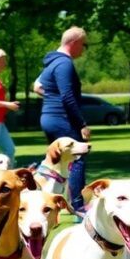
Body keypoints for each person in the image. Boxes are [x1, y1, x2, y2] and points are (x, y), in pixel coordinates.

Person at [38, 27, 90, 213]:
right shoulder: (64, 64)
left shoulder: (51, 63)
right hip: (62, 119)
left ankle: (45, 199)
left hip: (48, 116)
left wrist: (51, 100)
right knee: (77, 158)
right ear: (74, 42)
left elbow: (38, 86)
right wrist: (81, 124)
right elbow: (68, 96)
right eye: (84, 45)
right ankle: (78, 206)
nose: (83, 49)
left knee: (55, 162)